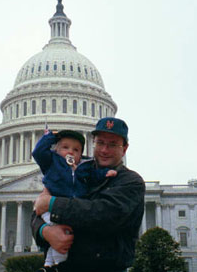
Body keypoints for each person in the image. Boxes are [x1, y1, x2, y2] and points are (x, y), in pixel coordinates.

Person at [31, 117, 145, 272]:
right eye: (100, 143)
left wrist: (52, 203)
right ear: (94, 143)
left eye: (112, 144)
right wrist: (45, 231)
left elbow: (102, 214)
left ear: (124, 149)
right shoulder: (74, 171)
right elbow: (37, 212)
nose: (104, 150)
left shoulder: (131, 182)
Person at [32, 129, 117, 271]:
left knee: (63, 235)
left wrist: (105, 173)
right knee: (56, 231)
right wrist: (50, 136)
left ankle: (55, 265)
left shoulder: (83, 169)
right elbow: (38, 153)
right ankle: (51, 264)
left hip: (92, 255)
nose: (70, 152)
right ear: (56, 150)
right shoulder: (53, 163)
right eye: (65, 147)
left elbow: (94, 176)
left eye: (76, 150)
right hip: (57, 212)